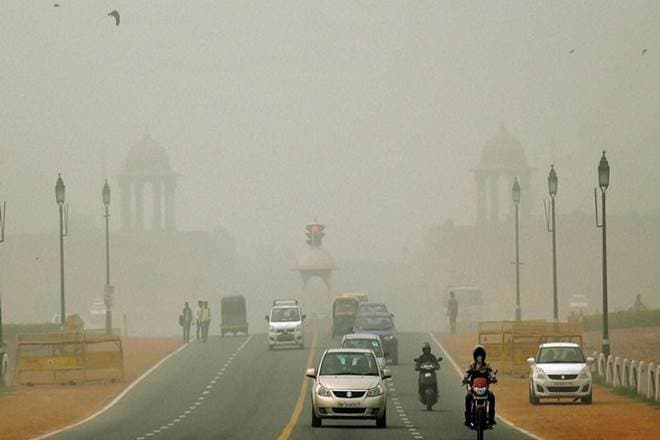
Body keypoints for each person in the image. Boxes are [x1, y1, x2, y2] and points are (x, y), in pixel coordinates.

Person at [463, 345, 497, 427]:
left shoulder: (487, 365)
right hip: (474, 389)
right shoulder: (472, 365)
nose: (479, 358)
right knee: (468, 397)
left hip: (484, 388)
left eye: (481, 356)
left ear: (484, 356)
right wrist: (465, 379)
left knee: (492, 396)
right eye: (478, 356)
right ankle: (468, 419)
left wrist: (493, 378)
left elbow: (491, 373)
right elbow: (467, 374)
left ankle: (491, 418)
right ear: (475, 356)